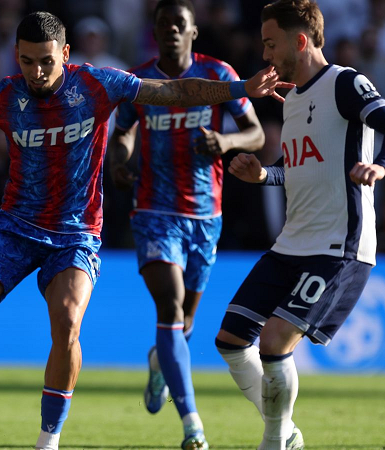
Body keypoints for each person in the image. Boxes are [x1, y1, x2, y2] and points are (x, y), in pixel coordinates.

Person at [0, 11, 291, 450]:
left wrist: (240, 89)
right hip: (13, 227)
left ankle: (48, 442)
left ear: (65, 53)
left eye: (46, 61)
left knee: (67, 322)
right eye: (26, 61)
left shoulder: (97, 84)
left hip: (76, 236)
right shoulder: (5, 97)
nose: (36, 71)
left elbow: (174, 92)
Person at [211, 2, 385, 449]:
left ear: (300, 41)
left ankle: (274, 441)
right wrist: (264, 174)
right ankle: (285, 432)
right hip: (292, 244)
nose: (265, 53)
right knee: (229, 339)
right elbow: (298, 166)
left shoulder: (345, 82)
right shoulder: (294, 98)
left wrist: (379, 167)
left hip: (338, 244)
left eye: (270, 43)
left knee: (275, 339)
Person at [107, 1, 265, 448]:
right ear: (154, 32)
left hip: (205, 217)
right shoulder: (139, 83)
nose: (172, 31)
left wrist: (226, 141)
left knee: (186, 323)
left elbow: (256, 134)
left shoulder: (218, 76)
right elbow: (122, 132)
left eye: (181, 25)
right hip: (154, 212)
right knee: (170, 309)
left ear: (194, 32)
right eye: (164, 24)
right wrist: (120, 163)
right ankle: (192, 424)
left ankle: (161, 361)